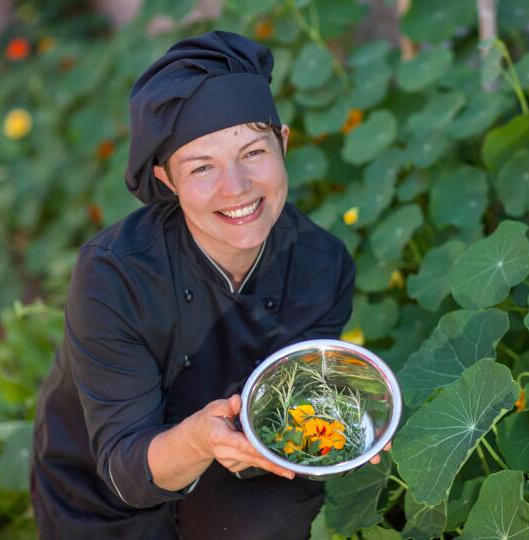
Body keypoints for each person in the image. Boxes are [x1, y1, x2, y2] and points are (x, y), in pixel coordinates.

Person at [31, 30, 382, 539]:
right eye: (202, 167)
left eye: (253, 153)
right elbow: (126, 470)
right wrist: (198, 440)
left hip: (237, 466)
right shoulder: (113, 276)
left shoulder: (320, 265)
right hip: (104, 495)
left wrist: (350, 428)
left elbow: (294, 410)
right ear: (167, 179)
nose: (236, 188)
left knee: (276, 521)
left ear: (283, 143)